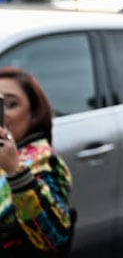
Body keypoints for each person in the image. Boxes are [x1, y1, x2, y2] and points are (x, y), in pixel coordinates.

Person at [0, 67, 73, 257]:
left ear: (33, 113)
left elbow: (55, 237)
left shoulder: (42, 162)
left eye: (10, 104)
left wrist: (15, 172)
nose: (2, 113)